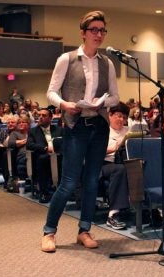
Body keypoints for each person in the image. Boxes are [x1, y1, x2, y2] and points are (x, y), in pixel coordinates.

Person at [41, 10, 119, 253]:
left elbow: (115, 96)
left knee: (92, 181)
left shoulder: (107, 63)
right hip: (75, 126)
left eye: (102, 30)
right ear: (83, 33)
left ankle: (84, 230)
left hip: (99, 125)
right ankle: (49, 231)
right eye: (94, 30)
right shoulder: (66, 59)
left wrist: (101, 102)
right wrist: (64, 104)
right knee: (69, 182)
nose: (98, 34)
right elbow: (51, 92)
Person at [100, 102, 130, 230]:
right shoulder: (103, 131)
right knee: (120, 170)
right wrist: (115, 147)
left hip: (127, 162)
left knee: (140, 168)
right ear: (110, 115)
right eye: (118, 116)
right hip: (106, 164)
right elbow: (95, 152)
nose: (121, 119)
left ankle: (153, 209)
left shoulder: (128, 131)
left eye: (124, 117)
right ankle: (113, 214)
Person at [26, 108, 63, 203]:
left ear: (50, 118)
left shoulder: (59, 130)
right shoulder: (33, 131)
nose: (41, 117)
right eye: (39, 115)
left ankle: (63, 192)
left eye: (44, 115)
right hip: (43, 155)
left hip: (58, 154)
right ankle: (44, 192)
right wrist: (45, 148)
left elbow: (65, 142)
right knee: (42, 160)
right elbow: (29, 144)